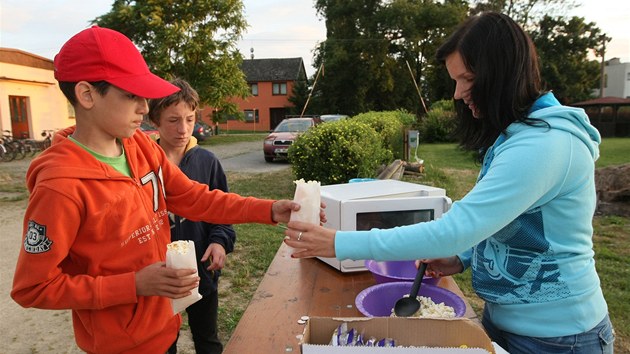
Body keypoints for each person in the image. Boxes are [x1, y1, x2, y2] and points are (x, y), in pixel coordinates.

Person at [284, 12, 615, 354]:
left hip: (562, 337)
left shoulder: (545, 145)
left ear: (502, 74)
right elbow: (500, 220)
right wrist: (463, 258)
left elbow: (455, 229)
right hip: (506, 321)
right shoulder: (517, 138)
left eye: (467, 79)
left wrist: (338, 243)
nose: (457, 93)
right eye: (455, 80)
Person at [10, 26, 304, 354]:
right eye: (131, 95)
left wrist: (267, 209)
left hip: (165, 324)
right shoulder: (60, 187)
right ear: (87, 94)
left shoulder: (139, 145)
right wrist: (133, 284)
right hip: (119, 345)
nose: (144, 107)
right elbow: (33, 288)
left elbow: (193, 197)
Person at [148, 78, 232, 354]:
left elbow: (223, 212)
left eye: (190, 118)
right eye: (173, 120)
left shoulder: (207, 162)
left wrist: (219, 241)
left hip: (201, 272)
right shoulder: (143, 163)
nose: (183, 129)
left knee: (207, 340)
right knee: (162, 344)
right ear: (155, 121)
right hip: (158, 277)